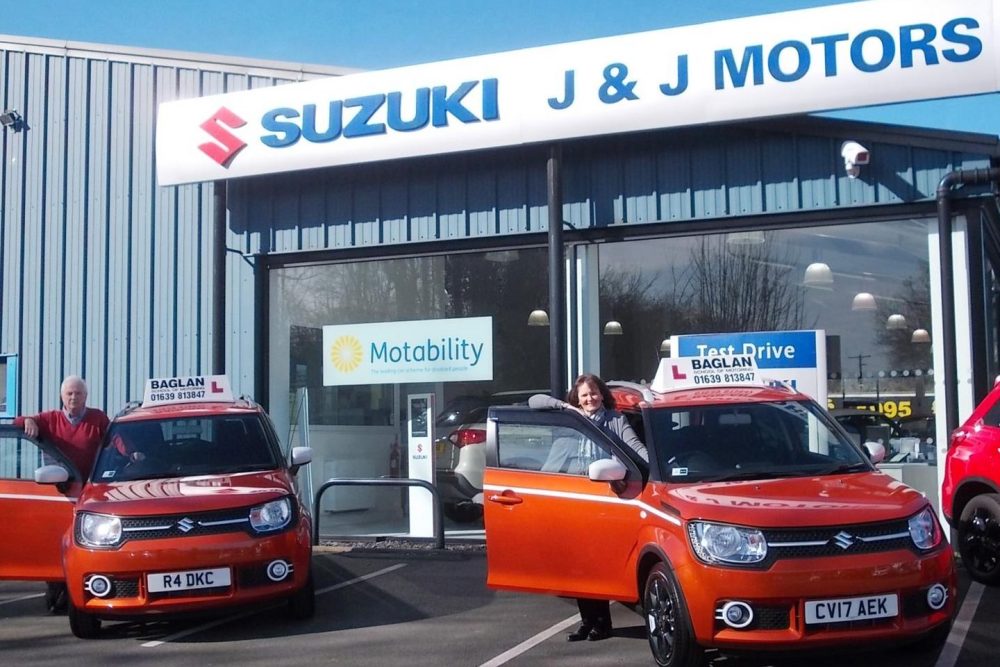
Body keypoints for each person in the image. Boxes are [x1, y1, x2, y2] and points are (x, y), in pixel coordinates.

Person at [529, 374, 648, 642]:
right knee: (577, 567)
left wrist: (658, 470)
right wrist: (567, 408)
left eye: (593, 393)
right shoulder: (572, 420)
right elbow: (534, 401)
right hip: (573, 503)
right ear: (577, 398)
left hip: (602, 503)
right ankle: (587, 622)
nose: (589, 399)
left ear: (602, 394)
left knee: (595, 565)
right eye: (583, 395)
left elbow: (636, 449)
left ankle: (602, 624)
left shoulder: (615, 420)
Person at [13, 375, 109, 614]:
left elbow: (116, 446)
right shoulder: (50, 419)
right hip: (60, 493)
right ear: (62, 397)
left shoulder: (98, 419)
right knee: (58, 545)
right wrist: (29, 421)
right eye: (69, 394)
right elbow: (15, 423)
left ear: (86, 396)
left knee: (88, 543)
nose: (74, 397)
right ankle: (58, 597)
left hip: (91, 492)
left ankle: (92, 589)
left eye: (78, 393)